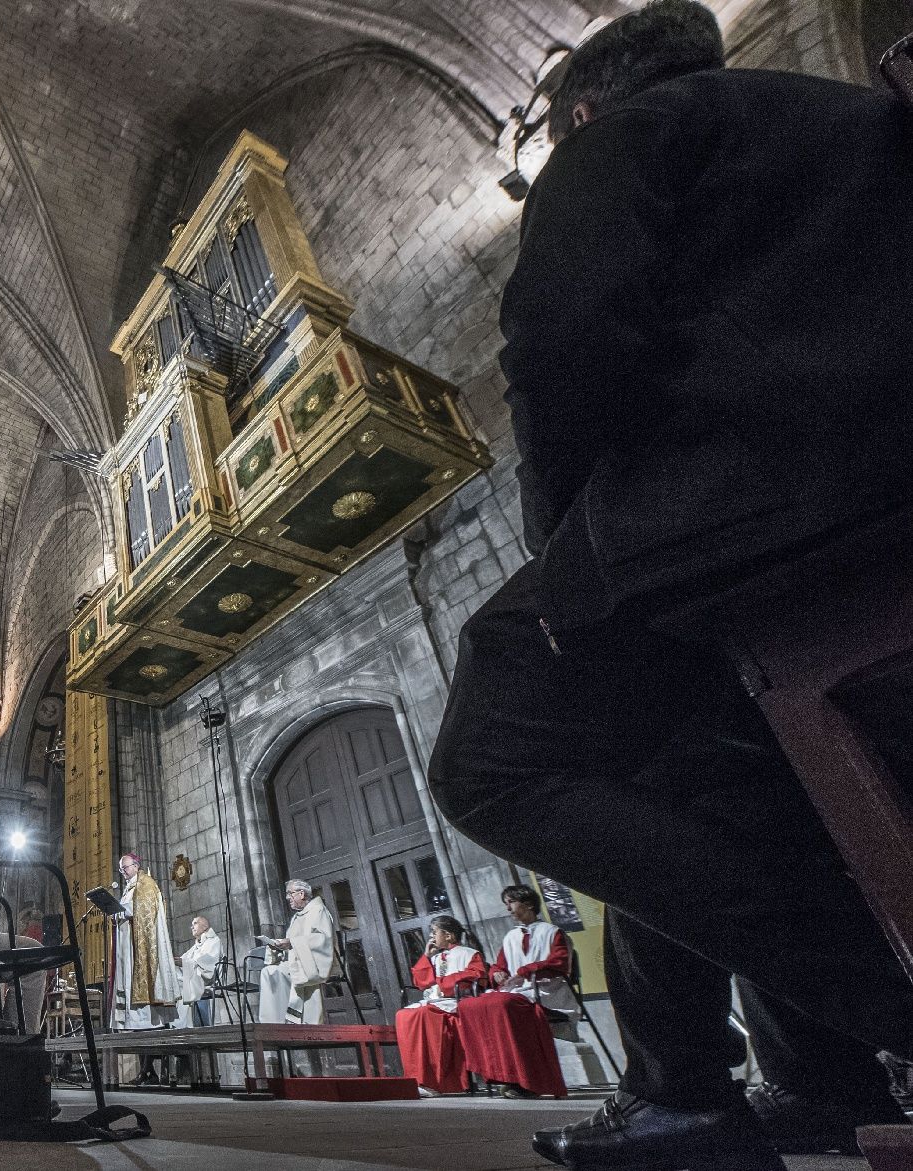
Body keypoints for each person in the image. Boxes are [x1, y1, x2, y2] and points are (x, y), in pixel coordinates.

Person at [425, 3, 913, 1165]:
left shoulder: (623, 137)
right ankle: (802, 1076)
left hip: (746, 517)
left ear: (579, 110)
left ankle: (866, 1005)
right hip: (873, 508)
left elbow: (558, 338)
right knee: (697, 769)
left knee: (492, 756)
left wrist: (570, 559)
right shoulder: (862, 123)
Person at [454, 887, 569, 1100]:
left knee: (504, 1005)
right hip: (517, 990)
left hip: (543, 988)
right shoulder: (510, 937)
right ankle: (500, 1075)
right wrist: (497, 973)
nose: (508, 908)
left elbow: (559, 962)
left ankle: (527, 1079)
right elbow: (499, 965)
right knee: (470, 1005)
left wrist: (525, 971)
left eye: (511, 902)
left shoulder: (552, 932)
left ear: (529, 905)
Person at [396, 914, 487, 1096]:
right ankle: (416, 1078)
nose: (431, 936)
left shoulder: (468, 954)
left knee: (425, 1014)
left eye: (434, 932)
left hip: (457, 1001)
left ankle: (433, 1082)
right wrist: (426, 956)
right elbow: (423, 981)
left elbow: (477, 976)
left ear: (448, 935)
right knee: (403, 1015)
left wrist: (445, 982)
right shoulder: (437, 958)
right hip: (438, 1001)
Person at [109, 853, 182, 1029]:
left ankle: (147, 1021)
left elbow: (142, 909)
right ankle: (131, 1021)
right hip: (126, 941)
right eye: (120, 869)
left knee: (136, 973)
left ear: (135, 866)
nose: (122, 872)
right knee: (127, 975)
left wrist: (120, 911)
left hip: (138, 943)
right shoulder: (129, 888)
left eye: (124, 868)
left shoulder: (146, 884)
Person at [256, 879, 336, 1025]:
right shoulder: (296, 917)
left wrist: (292, 943)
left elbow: (323, 940)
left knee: (274, 973)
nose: (288, 898)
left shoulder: (318, 911)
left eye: (290, 894)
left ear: (302, 894)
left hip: (312, 965)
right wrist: (278, 948)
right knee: (268, 972)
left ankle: (286, 1021)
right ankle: (272, 1023)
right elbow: (292, 945)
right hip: (297, 962)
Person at [175, 916, 222, 1027]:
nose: (192, 926)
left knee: (180, 986)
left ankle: (182, 1026)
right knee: (174, 979)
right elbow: (186, 958)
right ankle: (178, 1024)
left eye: (195, 923)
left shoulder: (214, 941)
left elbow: (208, 964)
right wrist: (176, 961)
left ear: (205, 926)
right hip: (194, 978)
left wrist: (184, 963)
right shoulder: (197, 945)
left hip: (207, 981)